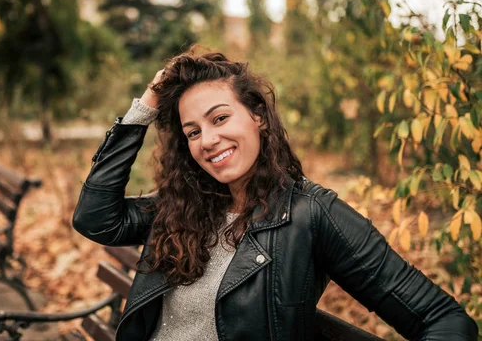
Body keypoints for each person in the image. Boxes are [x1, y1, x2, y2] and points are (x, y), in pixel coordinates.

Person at [72, 48, 478, 341]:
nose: (208, 140)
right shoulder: (183, 208)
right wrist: (147, 103)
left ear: (258, 117)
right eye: (193, 131)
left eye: (220, 118)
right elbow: (95, 217)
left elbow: (442, 318)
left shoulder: (311, 214)